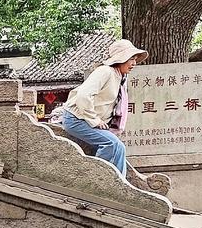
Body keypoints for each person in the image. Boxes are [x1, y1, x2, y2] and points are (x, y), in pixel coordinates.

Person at [56, 38, 148, 177]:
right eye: (131, 59)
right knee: (113, 145)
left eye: (135, 59)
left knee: (117, 147)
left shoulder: (120, 77)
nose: (134, 63)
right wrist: (94, 120)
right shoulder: (105, 71)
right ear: (121, 59)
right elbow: (83, 95)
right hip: (77, 119)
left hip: (87, 121)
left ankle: (117, 181)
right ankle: (99, 178)